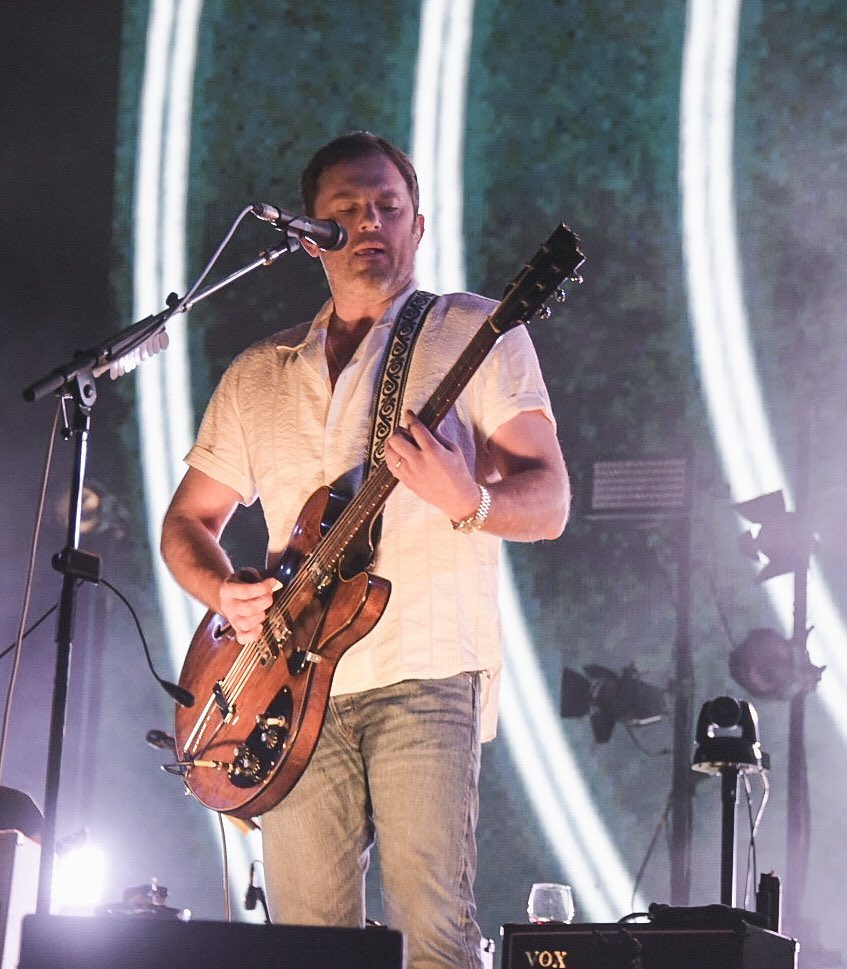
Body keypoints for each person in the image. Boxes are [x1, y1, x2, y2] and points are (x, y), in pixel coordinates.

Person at [160, 131, 570, 969]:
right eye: (345, 210)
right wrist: (223, 592)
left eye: (388, 206)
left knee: (433, 936)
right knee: (307, 947)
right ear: (311, 232)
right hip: (286, 690)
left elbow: (552, 499)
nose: (370, 221)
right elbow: (185, 524)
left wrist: (471, 498)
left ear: (419, 225)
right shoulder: (260, 371)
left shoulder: (475, 331)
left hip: (423, 667)